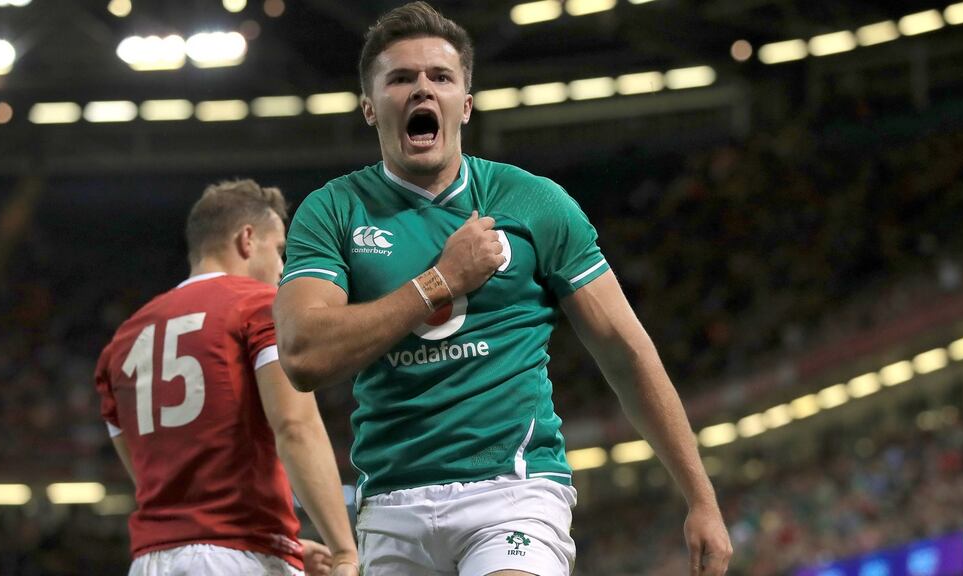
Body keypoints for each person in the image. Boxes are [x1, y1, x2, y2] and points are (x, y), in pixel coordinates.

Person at [273, 2, 732, 575]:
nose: (422, 90)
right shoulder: (332, 210)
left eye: (440, 78)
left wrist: (701, 497)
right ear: (370, 107)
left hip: (512, 492)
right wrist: (441, 281)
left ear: (464, 105)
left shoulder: (533, 202)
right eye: (400, 79)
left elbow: (625, 349)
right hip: (391, 503)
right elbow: (302, 354)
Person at [94, 180, 359, 576]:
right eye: (280, 250)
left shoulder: (123, 340)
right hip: (236, 556)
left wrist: (284, 543)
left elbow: (146, 471)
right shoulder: (257, 305)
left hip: (152, 560)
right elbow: (294, 426)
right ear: (247, 239)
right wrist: (343, 552)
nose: (284, 268)